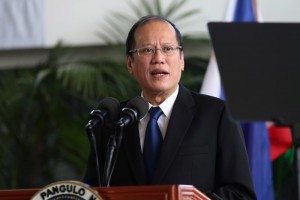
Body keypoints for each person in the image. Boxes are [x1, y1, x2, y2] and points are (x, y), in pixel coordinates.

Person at [83, 15, 257, 200]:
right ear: (130, 64)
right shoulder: (113, 120)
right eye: (148, 49)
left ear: (181, 60)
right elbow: (90, 193)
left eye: (167, 49)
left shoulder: (216, 114)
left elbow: (241, 194)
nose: (158, 58)